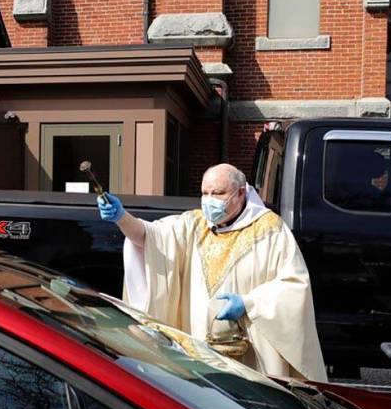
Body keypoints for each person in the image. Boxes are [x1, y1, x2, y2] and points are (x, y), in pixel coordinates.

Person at [97, 163, 327, 382]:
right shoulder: (193, 224)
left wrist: (248, 303)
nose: (208, 201)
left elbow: (294, 285)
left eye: (217, 193)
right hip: (199, 348)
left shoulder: (269, 230)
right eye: (204, 193)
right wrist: (122, 218)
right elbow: (149, 238)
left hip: (249, 353)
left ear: (240, 193)